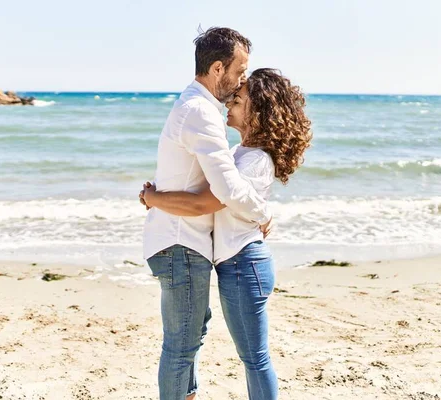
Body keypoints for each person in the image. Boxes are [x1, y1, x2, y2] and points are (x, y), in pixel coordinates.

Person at [142, 68, 312, 400]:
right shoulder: (238, 155)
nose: (231, 102)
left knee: (255, 359)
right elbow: (196, 183)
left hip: (245, 264)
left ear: (258, 110)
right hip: (235, 266)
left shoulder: (256, 160)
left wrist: (156, 199)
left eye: (240, 98)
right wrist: (160, 194)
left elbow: (209, 200)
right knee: (249, 356)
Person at [140, 27, 273, 400]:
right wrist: (261, 211)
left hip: (184, 241)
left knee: (190, 336)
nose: (243, 78)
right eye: (240, 70)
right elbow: (225, 190)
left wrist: (153, 196)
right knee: (182, 345)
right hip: (181, 242)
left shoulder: (199, 108)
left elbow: (206, 186)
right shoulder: (200, 111)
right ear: (218, 69)